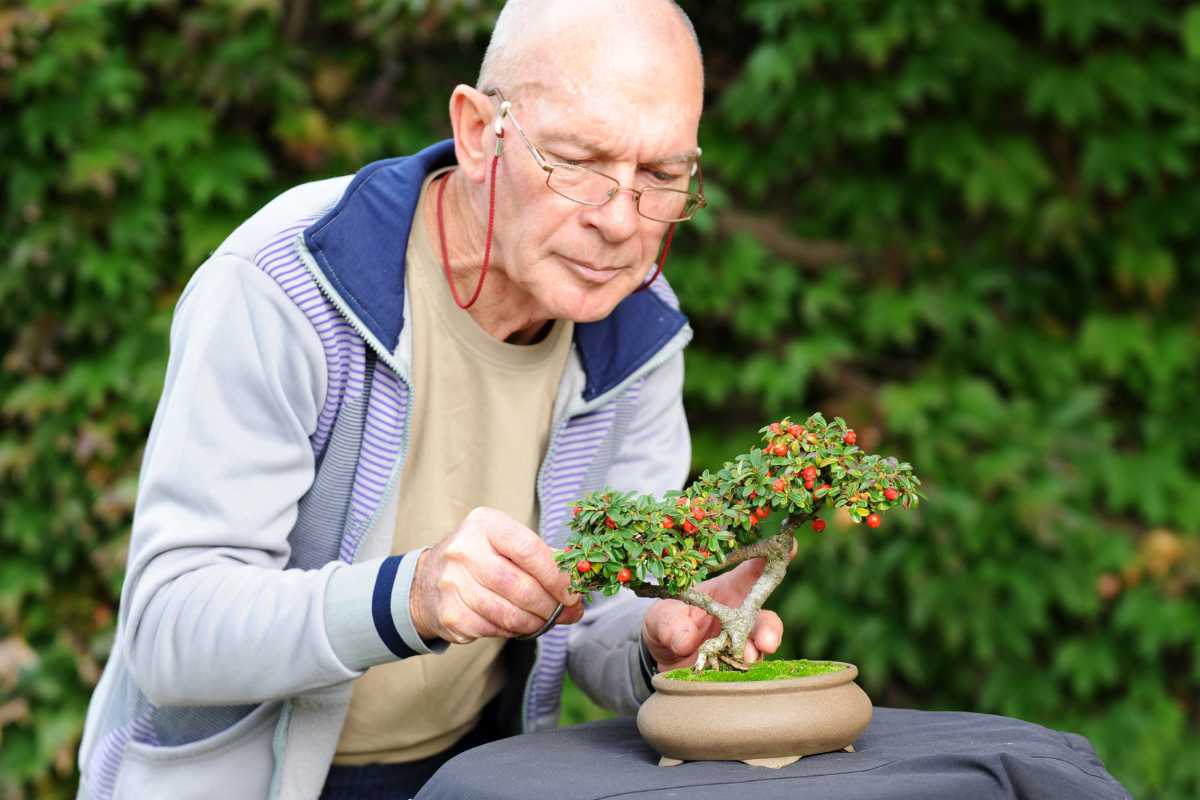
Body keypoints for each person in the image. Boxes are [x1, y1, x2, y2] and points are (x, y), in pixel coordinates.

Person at [75, 2, 785, 798]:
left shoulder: (640, 332)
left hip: (472, 775)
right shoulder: (286, 283)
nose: (620, 222)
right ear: (481, 131)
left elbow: (601, 608)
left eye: (660, 175)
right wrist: (406, 596)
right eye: (580, 162)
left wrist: (659, 642)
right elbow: (173, 629)